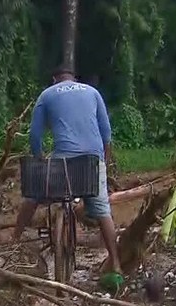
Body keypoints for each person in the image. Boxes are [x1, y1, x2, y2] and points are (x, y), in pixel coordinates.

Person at [12, 65, 122, 275]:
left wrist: (40, 159)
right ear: (74, 79)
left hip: (62, 163)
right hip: (91, 161)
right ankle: (116, 264)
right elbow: (106, 134)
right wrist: (103, 164)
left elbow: (35, 135)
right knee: (102, 211)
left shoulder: (47, 95)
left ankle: (14, 242)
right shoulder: (92, 92)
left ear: (55, 80)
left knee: (33, 196)